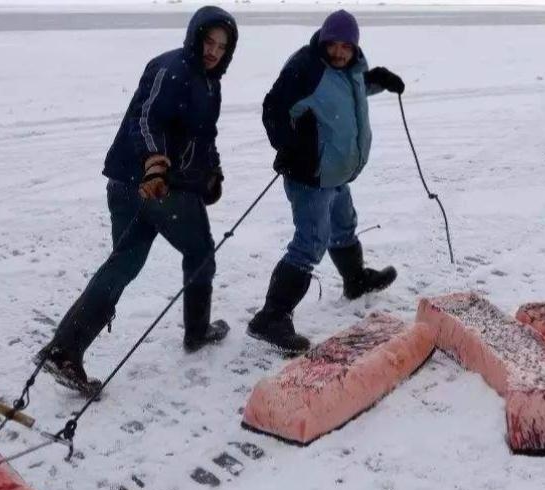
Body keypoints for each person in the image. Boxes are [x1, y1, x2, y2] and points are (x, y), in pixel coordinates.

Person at [34, 6, 239, 396]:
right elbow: (147, 119)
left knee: (124, 262)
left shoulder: (208, 82)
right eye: (209, 42)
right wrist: (156, 168)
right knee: (200, 250)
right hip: (153, 185)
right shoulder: (173, 69)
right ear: (195, 37)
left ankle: (64, 350)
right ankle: (197, 331)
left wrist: (212, 173)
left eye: (221, 47)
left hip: (132, 180)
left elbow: (203, 136)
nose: (213, 51)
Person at [247, 9, 406, 352]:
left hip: (335, 173)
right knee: (310, 242)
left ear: (354, 48)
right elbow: (274, 108)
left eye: (345, 47)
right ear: (322, 41)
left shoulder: (349, 69)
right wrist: (288, 146)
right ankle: (272, 316)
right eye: (332, 45)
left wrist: (376, 80)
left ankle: (354, 279)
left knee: (343, 224)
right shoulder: (307, 68)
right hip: (310, 175)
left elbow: (347, 91)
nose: (337, 52)